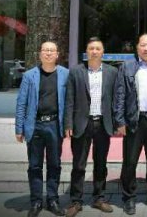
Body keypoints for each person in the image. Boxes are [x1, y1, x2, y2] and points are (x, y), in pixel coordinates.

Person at [64, 37, 119, 217]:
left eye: (98, 48)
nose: (94, 51)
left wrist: (118, 123)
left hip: (103, 123)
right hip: (82, 123)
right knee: (78, 165)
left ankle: (99, 198)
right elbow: (69, 99)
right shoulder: (76, 71)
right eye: (91, 48)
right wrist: (68, 123)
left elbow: (116, 99)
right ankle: (75, 201)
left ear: (103, 52)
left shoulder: (112, 72)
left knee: (101, 164)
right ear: (86, 52)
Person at [113, 33, 147, 215]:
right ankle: (129, 198)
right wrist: (120, 120)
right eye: (143, 45)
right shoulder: (127, 66)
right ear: (137, 47)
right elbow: (120, 95)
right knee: (130, 161)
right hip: (134, 121)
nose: (146, 48)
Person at [15, 41, 68, 217]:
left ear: (57, 54)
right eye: (45, 50)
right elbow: (21, 103)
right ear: (40, 54)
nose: (48, 53)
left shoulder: (65, 74)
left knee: (55, 164)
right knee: (34, 165)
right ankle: (36, 201)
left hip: (55, 125)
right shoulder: (29, 75)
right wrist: (19, 128)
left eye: (52, 50)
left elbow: (69, 102)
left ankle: (53, 200)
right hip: (35, 125)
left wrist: (68, 125)